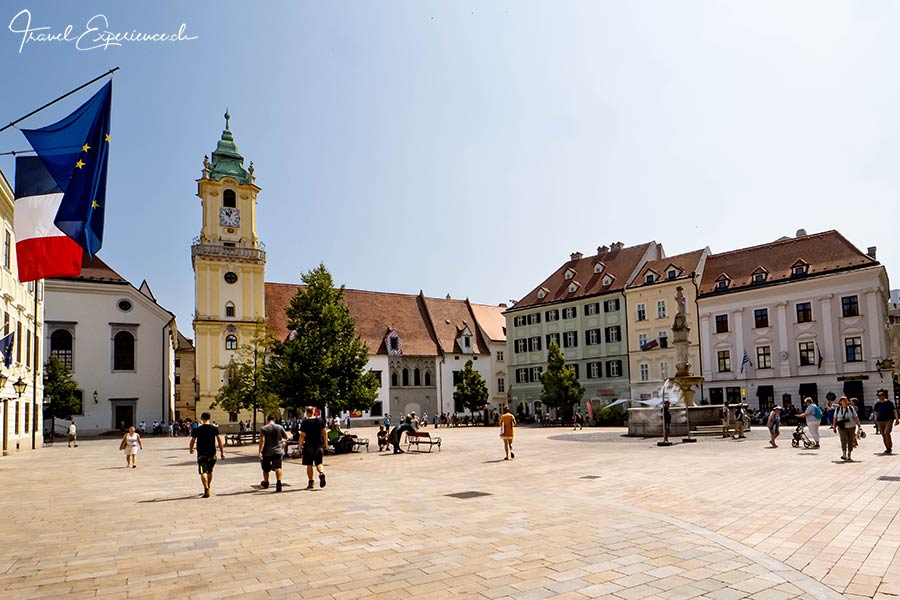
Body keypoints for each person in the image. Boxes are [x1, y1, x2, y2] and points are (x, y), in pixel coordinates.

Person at [189, 412, 225, 498]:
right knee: (210, 471)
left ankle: (206, 488)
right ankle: (208, 486)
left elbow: (193, 440)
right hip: (212, 453)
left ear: (201, 418)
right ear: (210, 418)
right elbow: (220, 441)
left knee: (203, 472)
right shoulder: (214, 428)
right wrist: (222, 453)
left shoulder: (197, 429)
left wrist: (191, 449)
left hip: (201, 454)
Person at [258, 414, 288, 492]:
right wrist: (282, 443)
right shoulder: (280, 427)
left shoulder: (263, 428)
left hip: (266, 452)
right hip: (277, 451)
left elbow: (262, 440)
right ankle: (278, 482)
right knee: (278, 467)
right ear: (274, 419)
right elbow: (286, 437)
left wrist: (260, 452)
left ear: (267, 420)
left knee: (265, 468)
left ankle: (266, 482)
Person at [299, 406, 327, 489]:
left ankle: (311, 482)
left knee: (309, 464)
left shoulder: (305, 422)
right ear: (314, 411)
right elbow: (324, 432)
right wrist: (325, 443)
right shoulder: (320, 420)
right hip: (318, 445)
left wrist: (299, 447)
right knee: (319, 463)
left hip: (308, 446)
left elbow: (302, 435)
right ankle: (321, 473)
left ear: (307, 412)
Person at [832, 395, 862, 461]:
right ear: (840, 402)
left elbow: (855, 417)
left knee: (850, 441)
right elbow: (835, 418)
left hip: (851, 427)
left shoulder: (851, 408)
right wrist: (834, 427)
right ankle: (844, 454)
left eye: (845, 400)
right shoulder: (838, 409)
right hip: (841, 427)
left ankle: (849, 455)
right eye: (843, 401)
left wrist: (859, 425)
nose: (845, 402)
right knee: (843, 440)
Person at [872, 390, 900, 455]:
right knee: (883, 434)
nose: (879, 397)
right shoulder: (877, 403)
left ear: (884, 396)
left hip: (889, 420)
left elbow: (894, 411)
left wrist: (897, 419)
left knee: (887, 432)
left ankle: (889, 446)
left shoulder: (889, 402)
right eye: (878, 396)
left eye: (881, 396)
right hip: (880, 420)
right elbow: (875, 412)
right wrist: (876, 420)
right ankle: (887, 448)